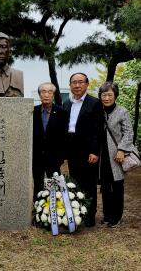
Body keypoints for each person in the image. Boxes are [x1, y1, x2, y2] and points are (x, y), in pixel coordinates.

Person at [63, 73, 103, 227]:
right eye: (74, 82)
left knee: (90, 183)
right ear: (70, 85)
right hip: (72, 149)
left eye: (80, 82)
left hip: (88, 150)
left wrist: (95, 151)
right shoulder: (67, 103)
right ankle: (78, 212)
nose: (77, 85)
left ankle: (90, 216)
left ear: (87, 84)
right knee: (75, 182)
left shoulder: (94, 103)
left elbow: (98, 130)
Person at [98, 82, 134, 228]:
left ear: (115, 96)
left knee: (117, 185)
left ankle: (117, 216)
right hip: (101, 155)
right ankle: (107, 215)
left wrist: (122, 150)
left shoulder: (122, 111)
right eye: (103, 95)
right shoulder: (98, 110)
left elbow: (128, 133)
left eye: (109, 95)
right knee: (105, 186)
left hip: (117, 155)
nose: (106, 98)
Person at [33, 82, 68, 199]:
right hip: (36, 157)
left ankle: (53, 212)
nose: (46, 95)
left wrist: (61, 157)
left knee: (53, 186)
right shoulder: (33, 111)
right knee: (37, 184)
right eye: (43, 92)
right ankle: (38, 210)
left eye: (50, 92)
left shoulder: (61, 112)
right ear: (39, 95)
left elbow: (64, 136)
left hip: (54, 157)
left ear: (53, 95)